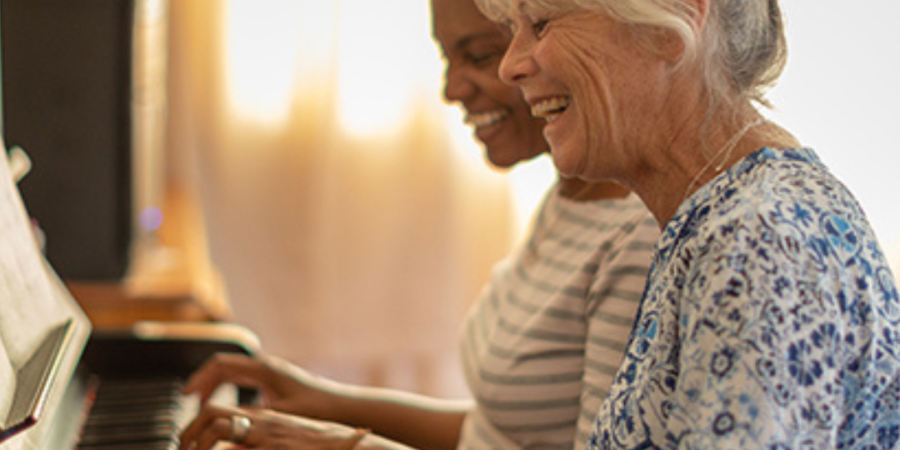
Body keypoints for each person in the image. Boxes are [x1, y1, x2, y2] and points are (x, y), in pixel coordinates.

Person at [177, 0, 659, 449]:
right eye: (447, 59)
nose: (451, 90)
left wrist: (344, 443)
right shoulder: (573, 196)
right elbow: (491, 434)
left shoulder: (634, 241)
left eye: (479, 55)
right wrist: (325, 401)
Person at [472, 0, 900, 448]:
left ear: (671, 23)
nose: (510, 66)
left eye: (541, 24)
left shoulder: (759, 241)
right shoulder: (714, 219)